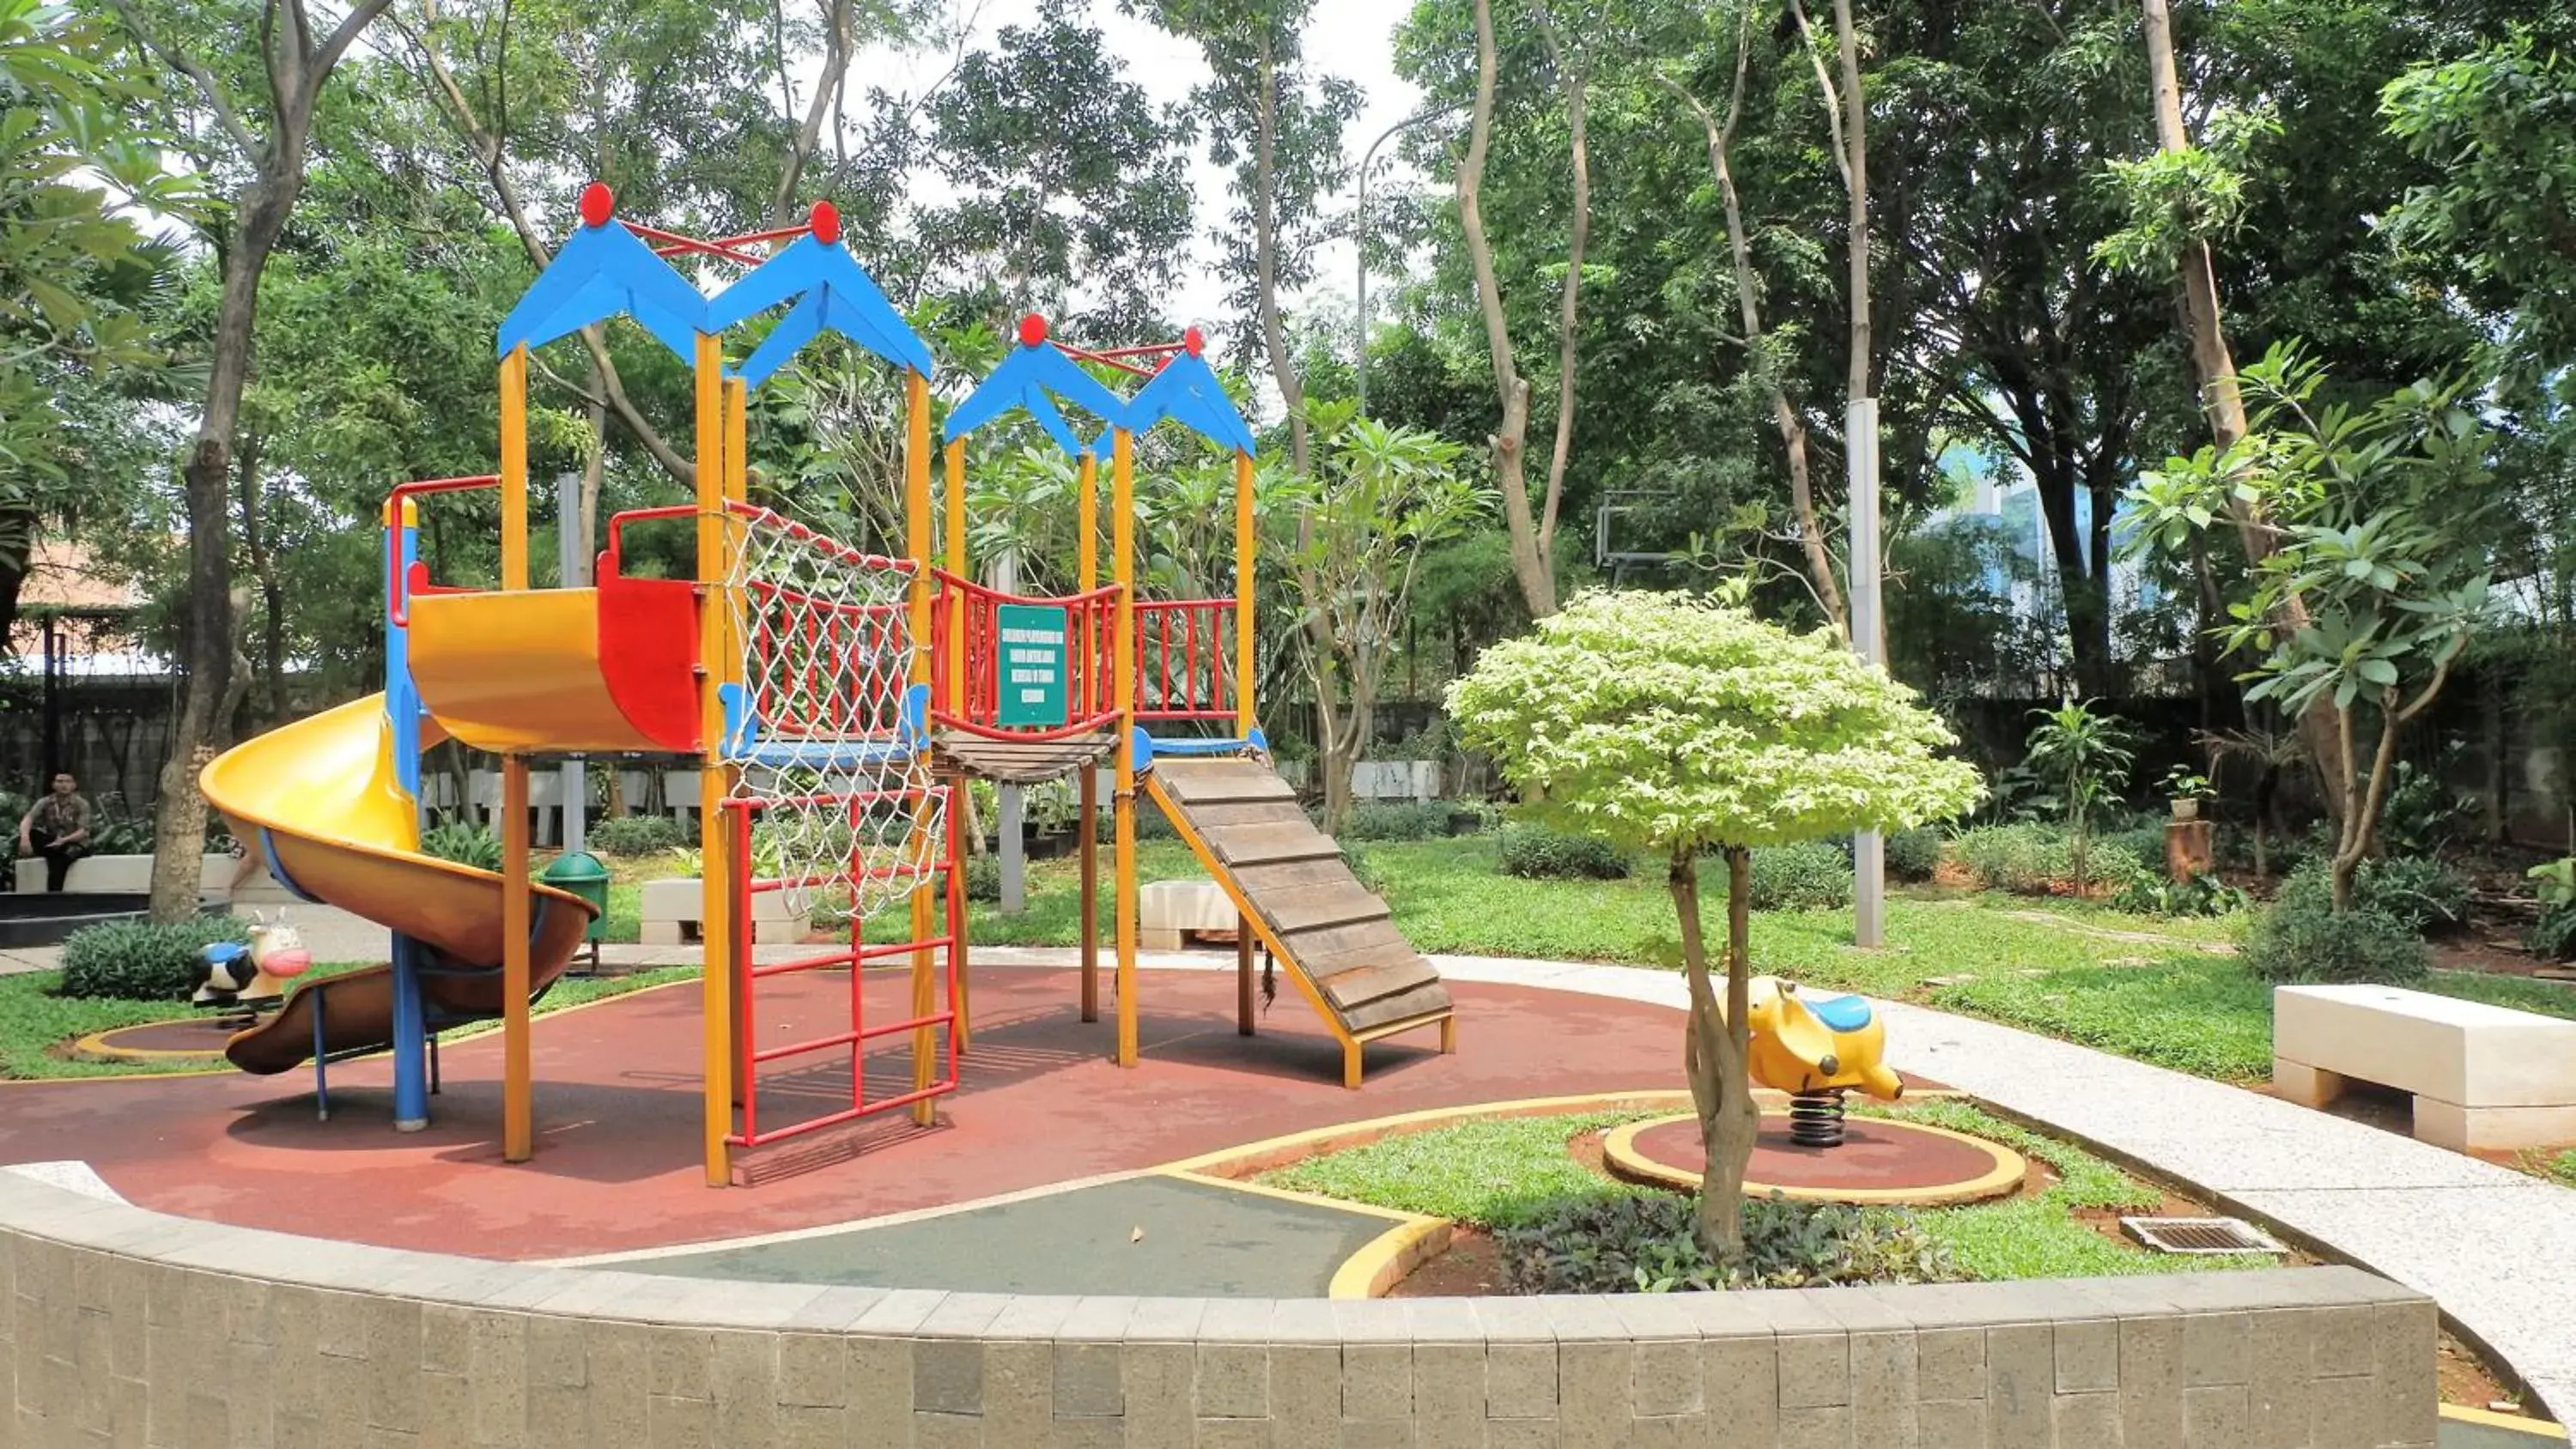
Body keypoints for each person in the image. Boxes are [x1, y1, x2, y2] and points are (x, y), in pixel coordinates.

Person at [17, 771, 94, 893]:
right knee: (32, 834)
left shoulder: (81, 804)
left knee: (59, 860)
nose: (64, 785)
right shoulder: (45, 802)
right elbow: (28, 818)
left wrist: (64, 840)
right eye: (60, 781)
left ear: (74, 785)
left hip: (75, 843)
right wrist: (25, 838)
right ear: (53, 785)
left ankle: (53, 895)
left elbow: (83, 832)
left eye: (68, 781)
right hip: (55, 842)